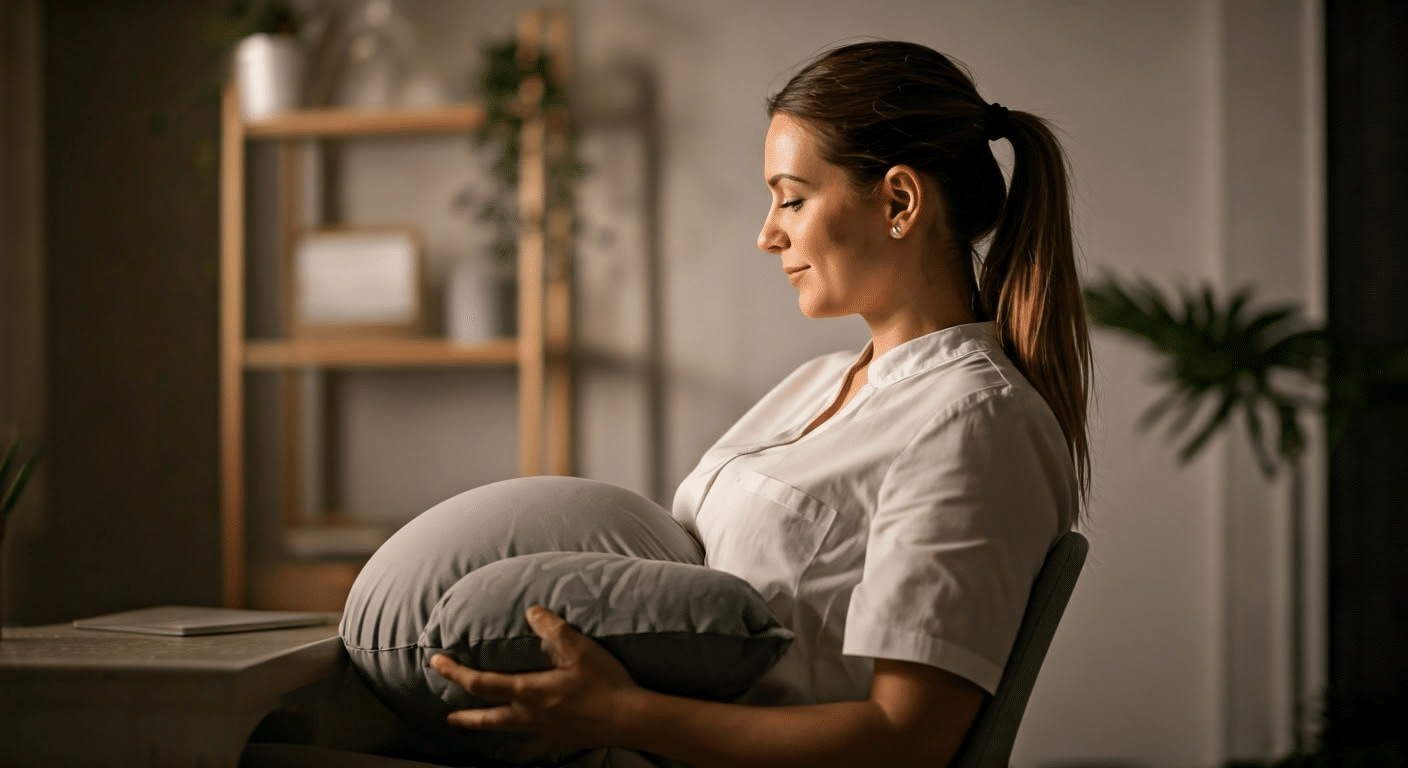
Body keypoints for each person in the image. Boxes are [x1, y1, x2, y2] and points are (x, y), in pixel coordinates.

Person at [430, 40, 1091, 768]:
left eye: (793, 197)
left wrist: (626, 714)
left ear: (899, 202)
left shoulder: (976, 424)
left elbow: (907, 742)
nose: (767, 232)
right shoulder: (815, 384)